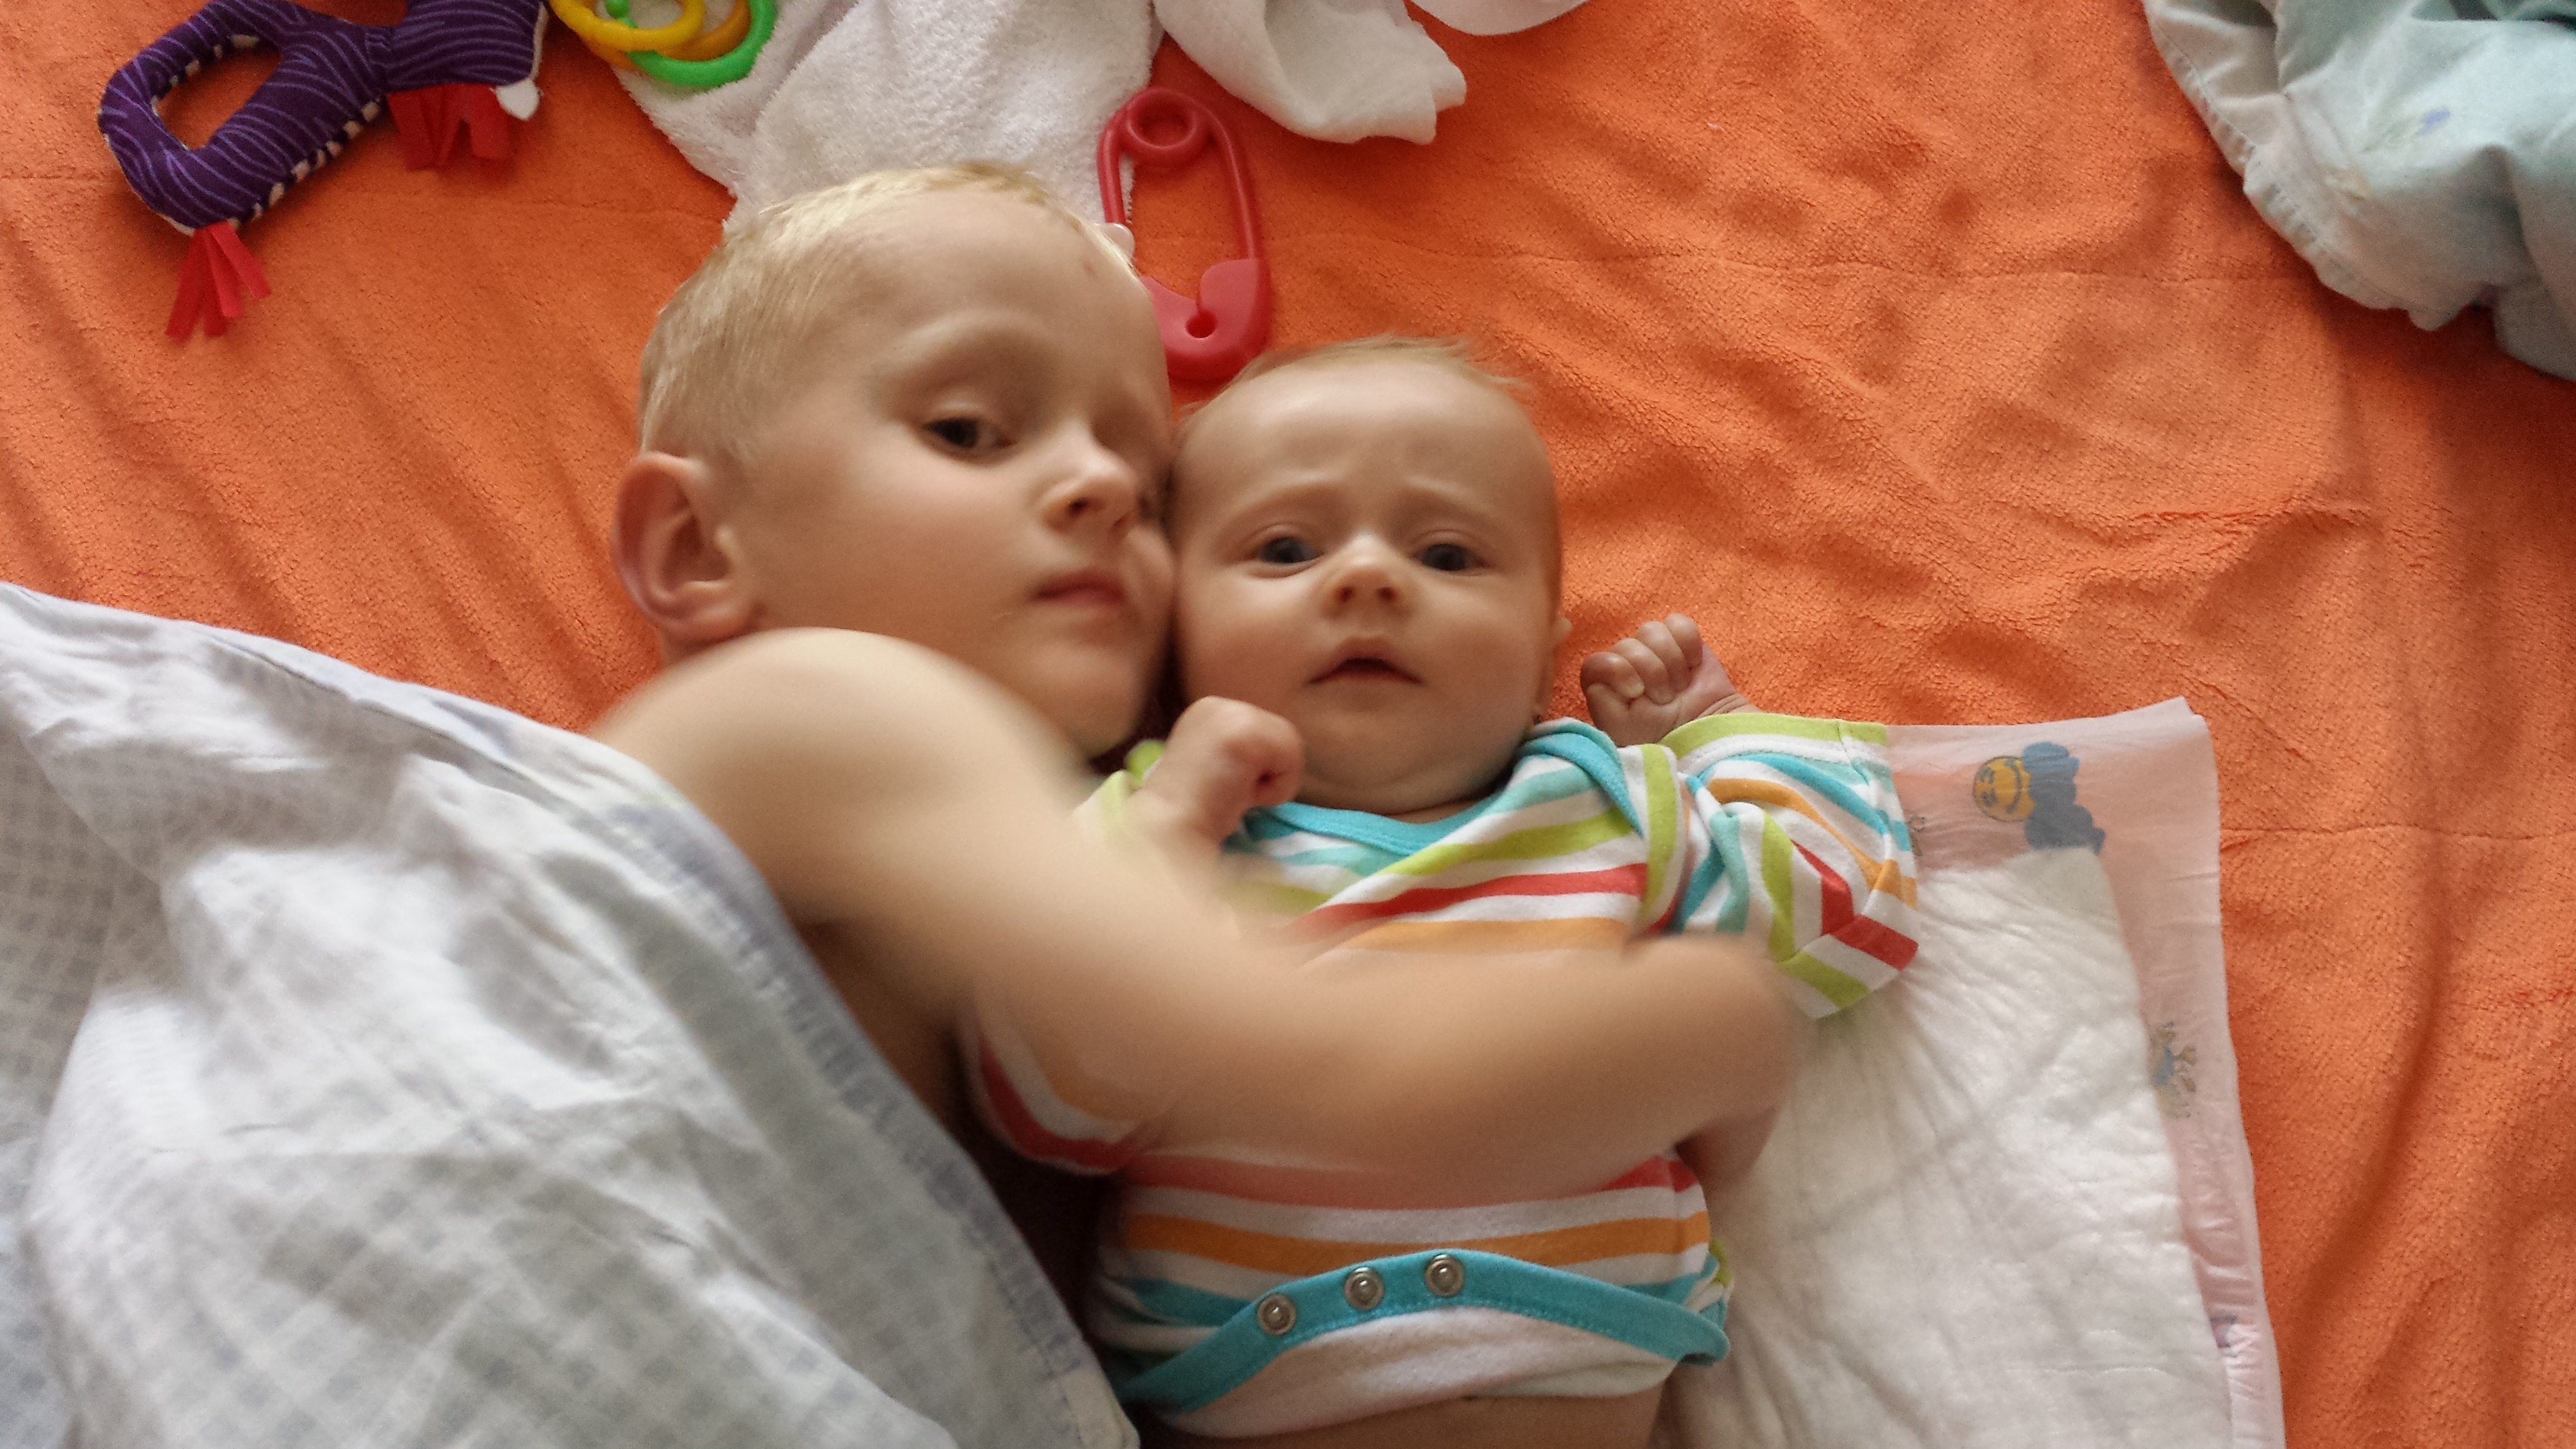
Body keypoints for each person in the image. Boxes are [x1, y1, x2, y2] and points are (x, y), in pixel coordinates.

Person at [587, 167, 1813, 1442]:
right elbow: (1332, 1070)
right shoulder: (807, 706)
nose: (1106, 487)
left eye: (1147, 478)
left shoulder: (1040, 859)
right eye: (970, 429)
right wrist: (1715, 1024)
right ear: (699, 547)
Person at [970, 339, 1921, 1446]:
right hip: (1254, 1365)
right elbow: (1050, 1109)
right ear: (1177, 621)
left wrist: (1713, 737)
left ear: (1543, 637)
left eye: (1449, 554)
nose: (1368, 578)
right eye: (1285, 549)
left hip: (1583, 1350)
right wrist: (1172, 829)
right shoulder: (1166, 828)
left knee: (1726, 1009)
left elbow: (1847, 914)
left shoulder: (1606, 802)